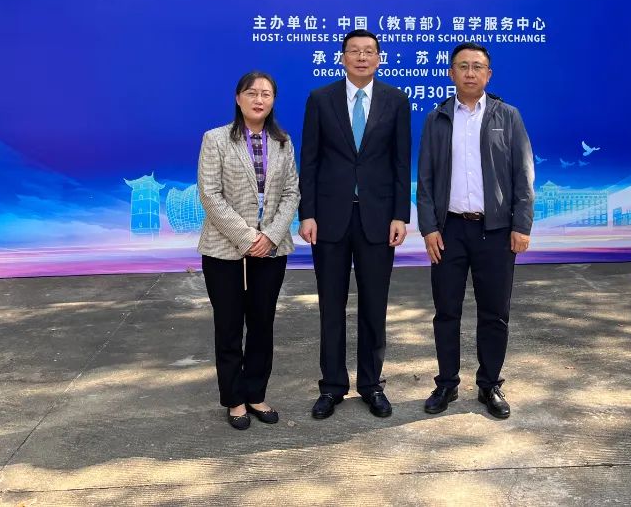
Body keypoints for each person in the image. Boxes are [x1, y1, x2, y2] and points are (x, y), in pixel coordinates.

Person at [416, 42, 535, 419]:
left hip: (495, 231)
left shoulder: (508, 116)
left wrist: (521, 225)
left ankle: (490, 384)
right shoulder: (436, 118)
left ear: (489, 74)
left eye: (477, 67)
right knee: (446, 311)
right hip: (449, 230)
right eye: (463, 66)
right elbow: (425, 179)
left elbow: (523, 175)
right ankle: (446, 384)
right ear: (451, 73)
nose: (470, 73)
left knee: (494, 313)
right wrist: (429, 228)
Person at [298, 29, 411, 419]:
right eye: (354, 51)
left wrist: (400, 215)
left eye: (369, 51)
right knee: (331, 305)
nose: (362, 57)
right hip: (329, 219)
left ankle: (371, 384)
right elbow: (309, 160)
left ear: (379, 58)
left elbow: (401, 163)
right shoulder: (320, 99)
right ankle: (332, 386)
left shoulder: (396, 100)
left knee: (374, 305)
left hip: (378, 219)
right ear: (342, 57)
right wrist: (307, 213)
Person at [197, 71, 300, 430]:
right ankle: (234, 399)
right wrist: (247, 237)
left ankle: (256, 393)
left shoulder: (283, 142)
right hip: (223, 248)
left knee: (261, 324)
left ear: (273, 101)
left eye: (266, 94)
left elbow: (292, 193)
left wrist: (269, 236)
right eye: (252, 93)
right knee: (228, 325)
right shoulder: (215, 139)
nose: (259, 100)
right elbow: (210, 194)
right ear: (238, 98)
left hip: (271, 248)